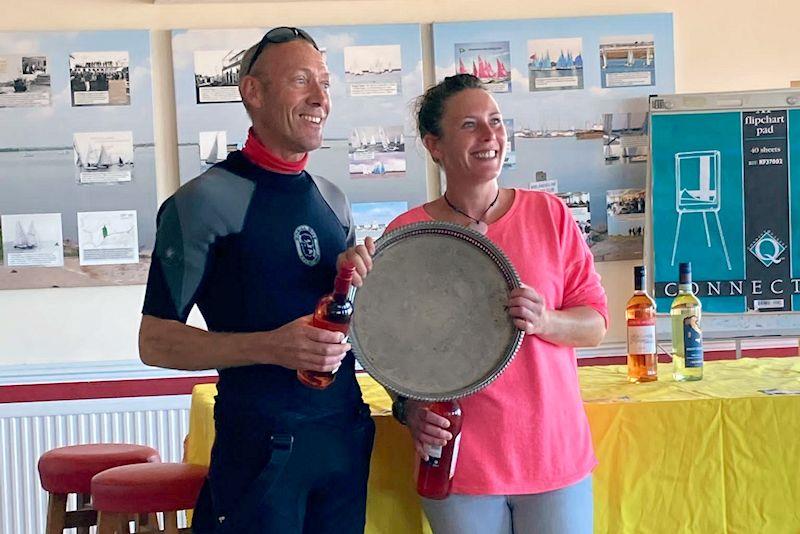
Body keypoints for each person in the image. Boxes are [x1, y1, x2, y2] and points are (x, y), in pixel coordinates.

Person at [342, 73, 608, 534]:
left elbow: (595, 323)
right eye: (469, 124)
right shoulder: (408, 236)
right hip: (459, 461)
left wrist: (545, 320)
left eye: (496, 121)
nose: (490, 136)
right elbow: (389, 352)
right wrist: (410, 410)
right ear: (434, 145)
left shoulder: (550, 215)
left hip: (552, 454)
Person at [138, 27, 374, 534]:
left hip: (344, 433)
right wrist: (271, 346)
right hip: (262, 443)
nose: (320, 98)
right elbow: (154, 342)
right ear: (254, 91)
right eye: (301, 81)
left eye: (326, 84)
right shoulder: (201, 202)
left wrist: (356, 288)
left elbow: (345, 323)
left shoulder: (333, 198)